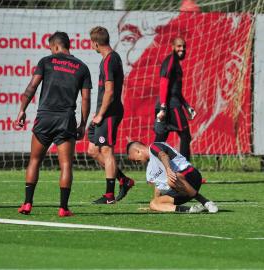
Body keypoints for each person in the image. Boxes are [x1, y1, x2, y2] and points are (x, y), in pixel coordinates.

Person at [16, 31, 91, 217]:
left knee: (34, 160)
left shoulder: (46, 62)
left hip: (45, 118)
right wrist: (83, 124)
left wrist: (22, 110)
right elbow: (86, 99)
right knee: (66, 165)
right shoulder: (82, 67)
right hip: (66, 119)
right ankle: (63, 208)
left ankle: (27, 204)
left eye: (51, 47)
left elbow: (31, 87)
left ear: (55, 46)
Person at [87, 26, 135, 204]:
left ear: (96, 43)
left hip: (109, 113)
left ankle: (109, 196)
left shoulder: (109, 61)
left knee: (106, 150)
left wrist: (100, 114)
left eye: (92, 43)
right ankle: (124, 180)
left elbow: (109, 92)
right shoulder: (111, 58)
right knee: (92, 150)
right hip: (106, 111)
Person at [126, 141, 218, 213]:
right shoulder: (149, 171)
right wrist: (156, 204)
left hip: (191, 177)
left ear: (137, 151)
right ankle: (190, 210)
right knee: (153, 203)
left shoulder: (154, 146)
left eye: (134, 160)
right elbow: (158, 188)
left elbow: (163, 155)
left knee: (171, 179)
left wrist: (168, 169)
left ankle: (206, 202)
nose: (136, 163)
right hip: (181, 191)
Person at [154, 37, 195, 161]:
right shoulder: (171, 61)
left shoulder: (176, 63)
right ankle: (186, 171)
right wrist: (163, 107)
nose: (182, 49)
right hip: (170, 106)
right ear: (172, 47)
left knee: (160, 140)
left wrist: (187, 106)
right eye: (179, 46)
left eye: (184, 46)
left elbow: (176, 90)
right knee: (185, 135)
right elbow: (163, 83)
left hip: (168, 105)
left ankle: (152, 169)